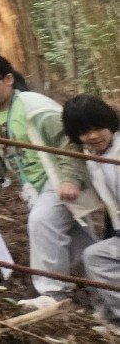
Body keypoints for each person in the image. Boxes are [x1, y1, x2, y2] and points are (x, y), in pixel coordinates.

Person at [0, 53, 102, 309]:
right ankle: (106, 298)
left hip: (59, 180)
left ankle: (53, 292)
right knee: (82, 246)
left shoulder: (35, 106)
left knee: (41, 222)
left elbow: (69, 141)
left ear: (8, 79)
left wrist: (71, 178)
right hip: (35, 188)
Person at [61, 94, 120, 336]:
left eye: (98, 128)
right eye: (85, 132)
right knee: (95, 256)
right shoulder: (92, 159)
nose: (93, 136)